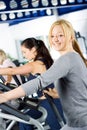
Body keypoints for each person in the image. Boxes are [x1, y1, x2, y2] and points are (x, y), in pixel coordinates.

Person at [0, 19, 87, 130]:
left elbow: (39, 82)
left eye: (60, 35)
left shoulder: (67, 58)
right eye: (52, 36)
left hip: (81, 123)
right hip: (76, 122)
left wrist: (5, 96)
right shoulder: (73, 57)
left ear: (71, 37)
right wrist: (59, 94)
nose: (55, 39)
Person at [0, 38, 65, 130]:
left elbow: (12, 70)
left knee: (58, 127)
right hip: (44, 101)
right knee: (24, 122)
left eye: (24, 52)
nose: (23, 55)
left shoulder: (35, 65)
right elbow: (20, 72)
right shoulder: (43, 61)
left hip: (50, 102)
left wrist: (10, 72)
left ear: (33, 49)